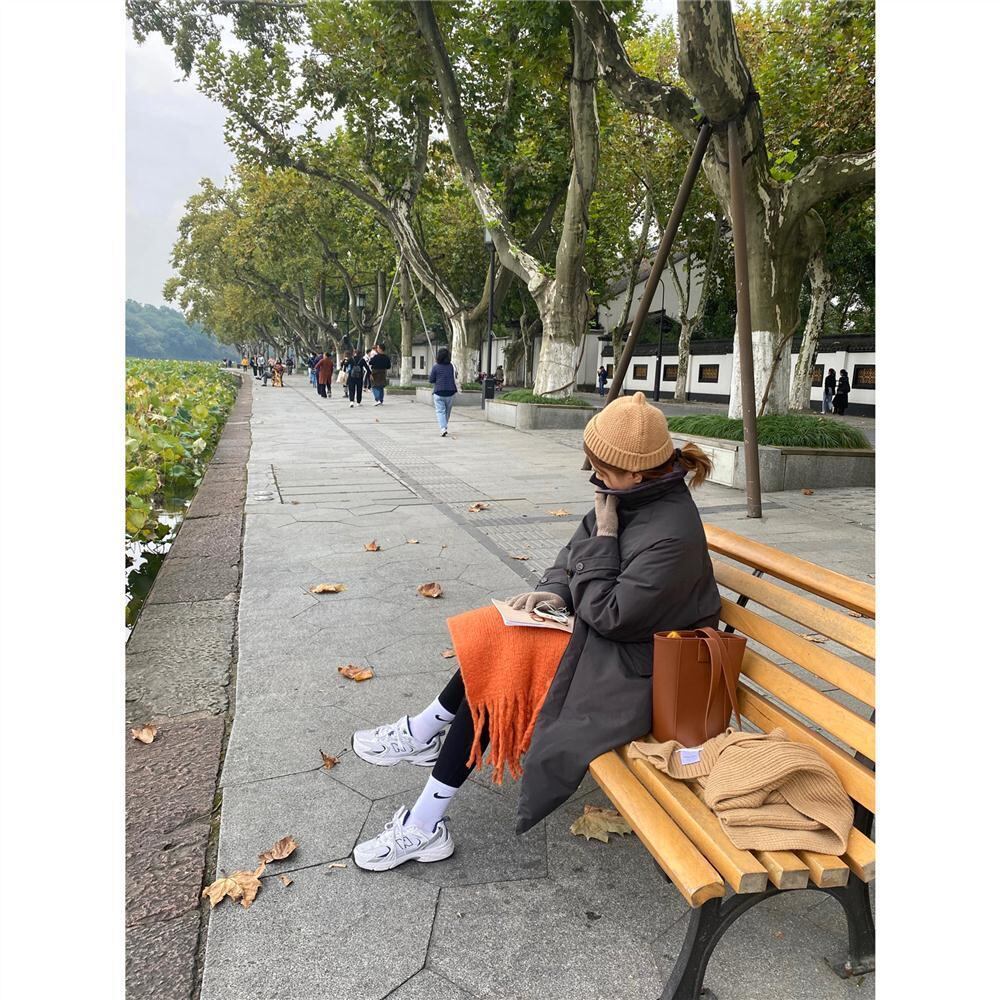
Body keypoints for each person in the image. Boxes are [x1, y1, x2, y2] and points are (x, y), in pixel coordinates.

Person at [349, 392, 721, 870]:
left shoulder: (671, 533)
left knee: (508, 665)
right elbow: (572, 560)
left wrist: (606, 535)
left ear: (636, 473)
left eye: (601, 469)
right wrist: (553, 593)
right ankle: (424, 733)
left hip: (643, 669)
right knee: (495, 631)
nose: (593, 477)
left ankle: (423, 823)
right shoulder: (628, 494)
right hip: (609, 640)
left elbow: (611, 613)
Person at [428, 347, 459, 436]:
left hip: (439, 392)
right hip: (450, 392)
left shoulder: (435, 367)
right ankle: (444, 427)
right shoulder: (452, 366)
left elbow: (431, 380)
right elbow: (456, 376)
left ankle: (443, 428)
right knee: (447, 412)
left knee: (440, 411)